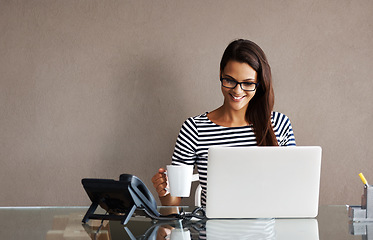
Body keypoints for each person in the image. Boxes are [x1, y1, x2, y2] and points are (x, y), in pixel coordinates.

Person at [151, 39, 296, 207]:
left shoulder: (279, 124)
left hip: (268, 231)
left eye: (248, 83)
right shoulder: (194, 128)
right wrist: (165, 191)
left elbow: (292, 189)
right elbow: (173, 204)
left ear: (259, 83)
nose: (237, 90)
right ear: (220, 74)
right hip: (212, 231)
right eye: (229, 80)